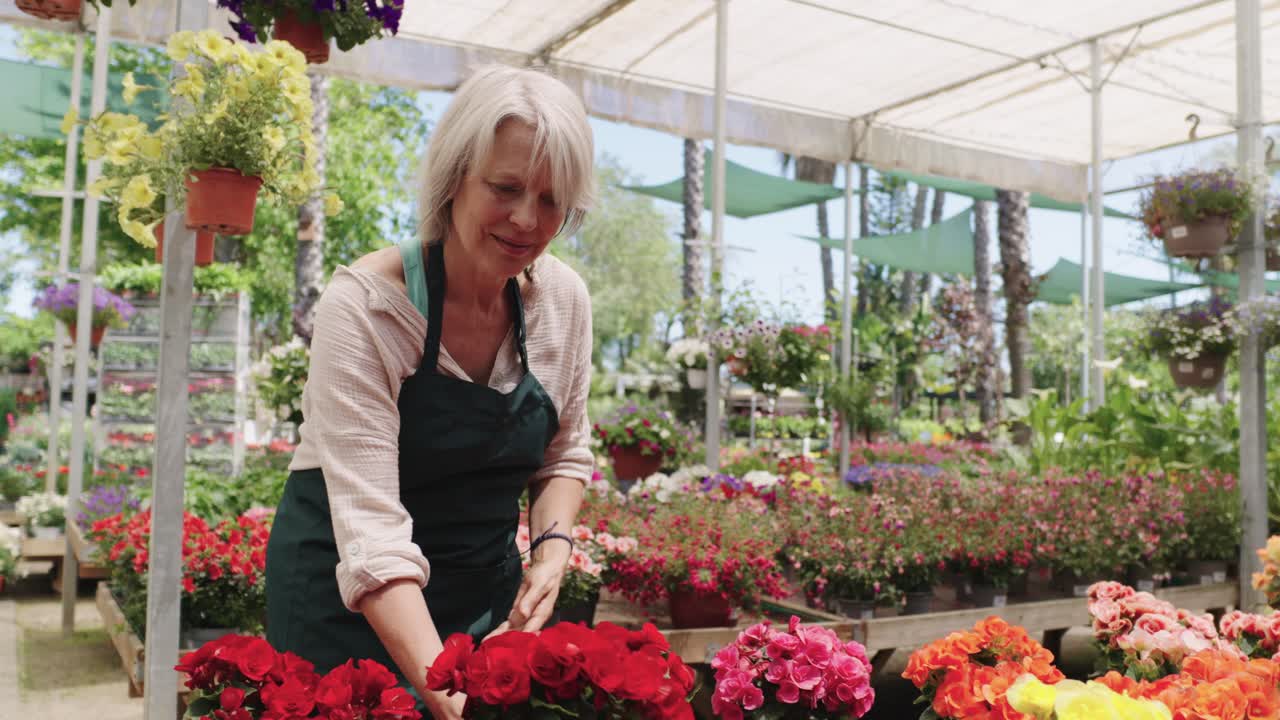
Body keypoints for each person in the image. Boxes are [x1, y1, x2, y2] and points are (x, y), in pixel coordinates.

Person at [265, 64, 596, 719]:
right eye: (506, 188)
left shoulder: (564, 300)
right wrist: (450, 699)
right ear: (453, 179)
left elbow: (564, 452)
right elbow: (373, 540)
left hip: (481, 597)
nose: (528, 220)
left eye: (553, 200)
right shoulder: (371, 306)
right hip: (348, 603)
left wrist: (552, 554)